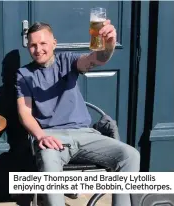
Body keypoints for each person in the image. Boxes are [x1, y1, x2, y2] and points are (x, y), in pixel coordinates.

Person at [16, 21, 140, 206]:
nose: (38, 49)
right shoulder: (24, 74)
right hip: (52, 138)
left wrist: (109, 45)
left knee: (130, 155)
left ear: (54, 44)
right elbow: (25, 113)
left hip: (85, 134)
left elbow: (95, 59)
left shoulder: (67, 60)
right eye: (33, 45)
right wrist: (41, 136)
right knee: (49, 165)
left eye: (43, 43)